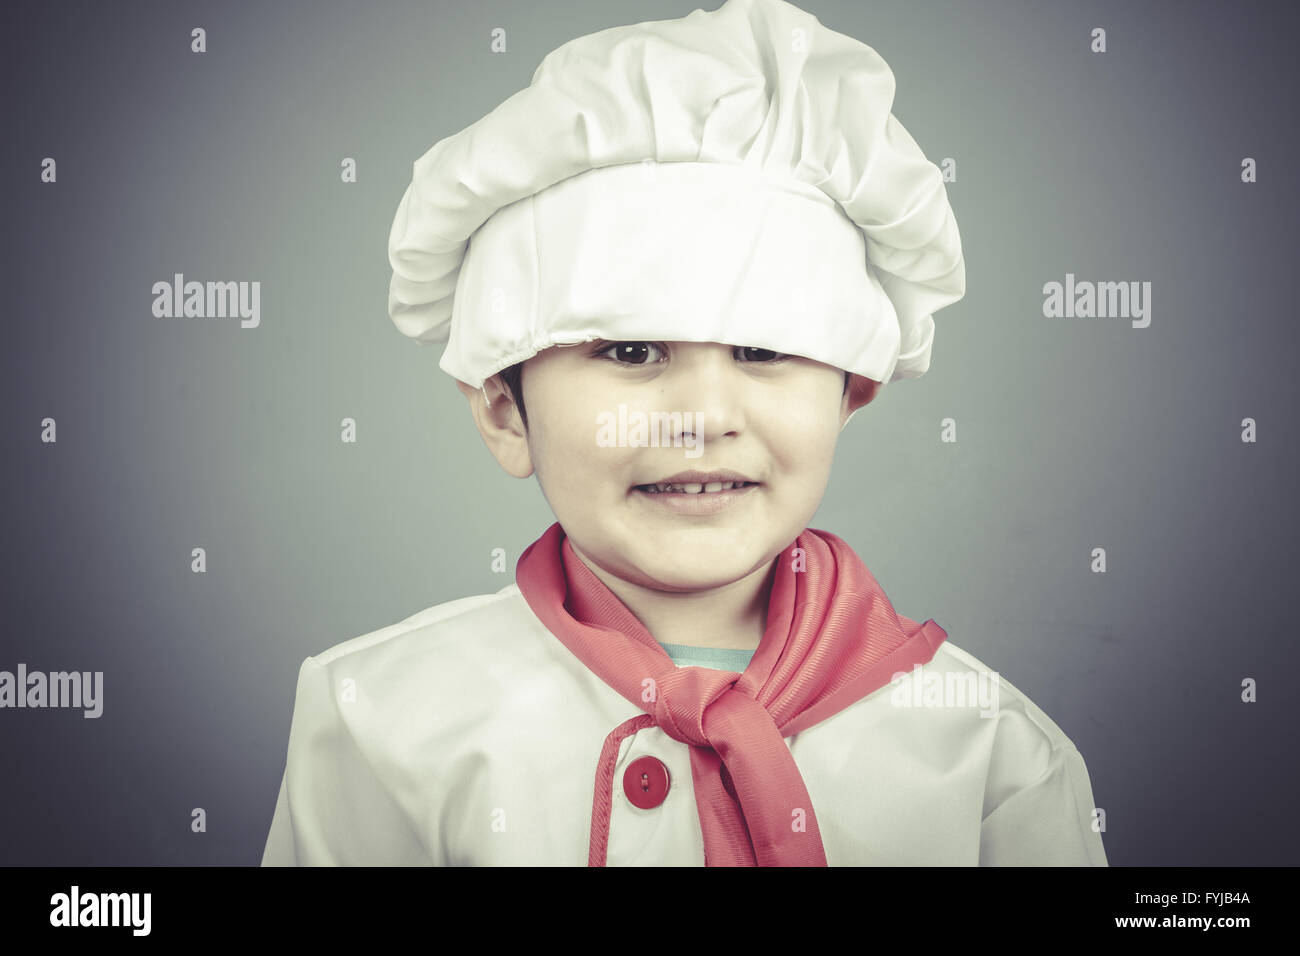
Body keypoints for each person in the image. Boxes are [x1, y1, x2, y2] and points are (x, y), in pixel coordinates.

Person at [261, 0, 1107, 866]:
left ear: (851, 392)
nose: (703, 414)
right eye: (630, 349)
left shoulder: (992, 756)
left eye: (765, 349)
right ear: (505, 410)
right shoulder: (380, 721)